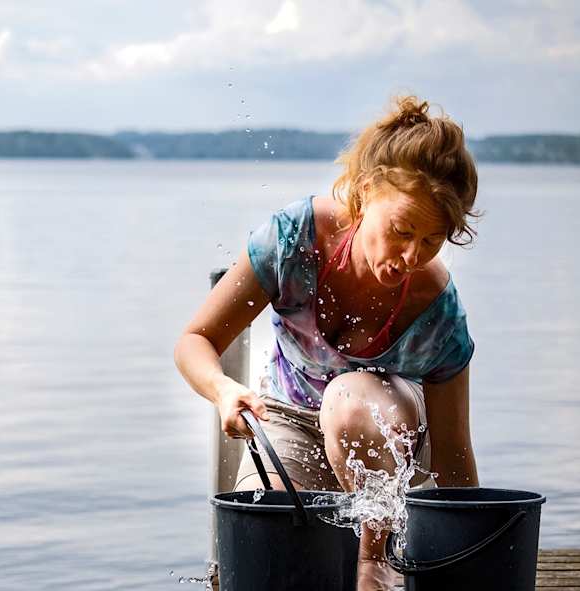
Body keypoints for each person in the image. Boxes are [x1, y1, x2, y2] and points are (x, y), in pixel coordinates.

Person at [174, 95, 481, 591]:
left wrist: (469, 562)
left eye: (431, 240)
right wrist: (223, 389)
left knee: (348, 399)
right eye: (401, 230)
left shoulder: (437, 310)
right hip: (291, 420)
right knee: (268, 545)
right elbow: (195, 340)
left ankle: (374, 560)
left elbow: (454, 458)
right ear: (363, 193)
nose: (410, 256)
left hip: (387, 436)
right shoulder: (293, 239)